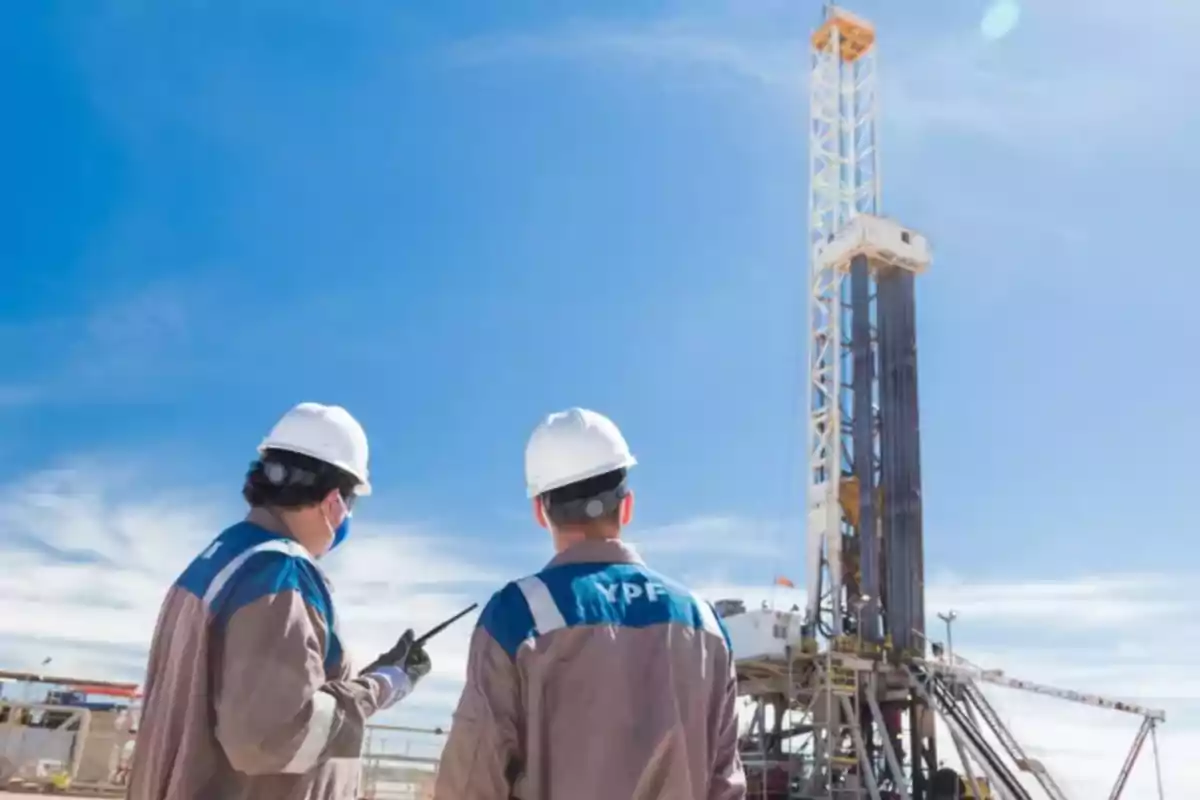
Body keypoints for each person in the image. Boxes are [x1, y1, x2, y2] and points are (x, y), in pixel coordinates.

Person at [434, 407, 747, 800]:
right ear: (627, 506)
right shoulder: (706, 625)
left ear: (539, 511)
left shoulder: (517, 616)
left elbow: (471, 783)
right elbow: (725, 785)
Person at [128, 402, 432, 800]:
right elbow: (272, 736)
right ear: (335, 502)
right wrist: (385, 685)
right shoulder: (279, 574)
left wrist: (367, 676)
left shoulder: (216, 563)